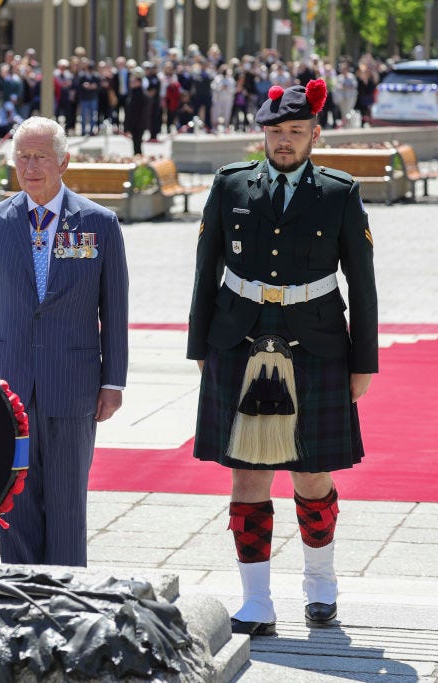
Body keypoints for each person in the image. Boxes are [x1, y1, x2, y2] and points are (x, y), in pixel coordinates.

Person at [186, 80, 378, 637]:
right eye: (276, 132)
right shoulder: (231, 185)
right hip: (239, 336)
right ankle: (256, 601)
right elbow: (205, 269)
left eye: (295, 132)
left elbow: (362, 285)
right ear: (263, 134)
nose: (284, 141)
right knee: (247, 475)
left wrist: (362, 362)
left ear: (315, 134)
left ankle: (321, 587)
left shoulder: (340, 192)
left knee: (312, 474)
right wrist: (200, 345)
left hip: (316, 342)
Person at [0, 116, 129, 566]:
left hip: (72, 382)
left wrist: (113, 380)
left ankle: (65, 593)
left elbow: (114, 310)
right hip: (9, 382)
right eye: (22, 156)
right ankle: (19, 589)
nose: (30, 166)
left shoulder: (98, 223)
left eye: (41, 156)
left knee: (65, 502)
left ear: (64, 161)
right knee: (12, 498)